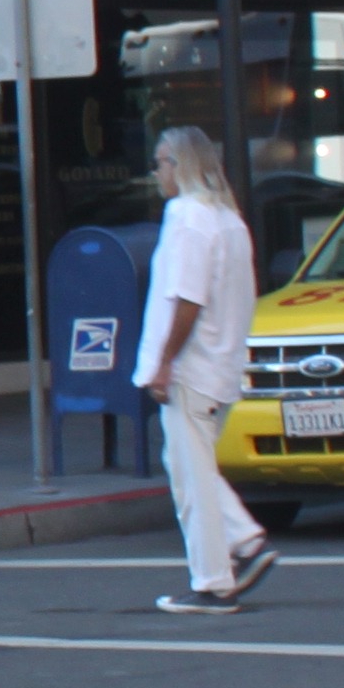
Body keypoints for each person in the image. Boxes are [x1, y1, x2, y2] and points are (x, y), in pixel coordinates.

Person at [136, 123, 274, 614]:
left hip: (192, 367)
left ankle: (214, 582)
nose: (156, 173)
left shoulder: (186, 217)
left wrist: (163, 363)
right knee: (188, 463)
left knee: (191, 480)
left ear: (181, 166)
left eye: (161, 162)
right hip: (221, 364)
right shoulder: (229, 220)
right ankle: (245, 539)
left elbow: (188, 298)